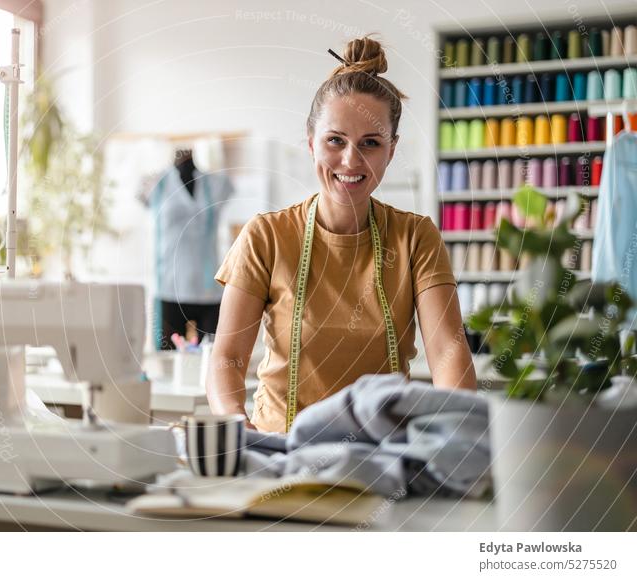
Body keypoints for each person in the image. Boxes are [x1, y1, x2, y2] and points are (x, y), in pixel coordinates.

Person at [206, 35, 476, 433]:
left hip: (381, 454)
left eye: (371, 143)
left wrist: (458, 434)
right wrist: (236, 426)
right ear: (311, 140)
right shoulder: (266, 236)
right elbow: (226, 358)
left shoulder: (416, 238)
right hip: (281, 452)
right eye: (336, 140)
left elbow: (448, 353)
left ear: (392, 149)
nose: (351, 160)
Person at [146, 147, 234, 350]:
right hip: (169, 288)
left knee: (215, 357)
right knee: (167, 362)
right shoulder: (155, 184)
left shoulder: (217, 183)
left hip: (209, 289)